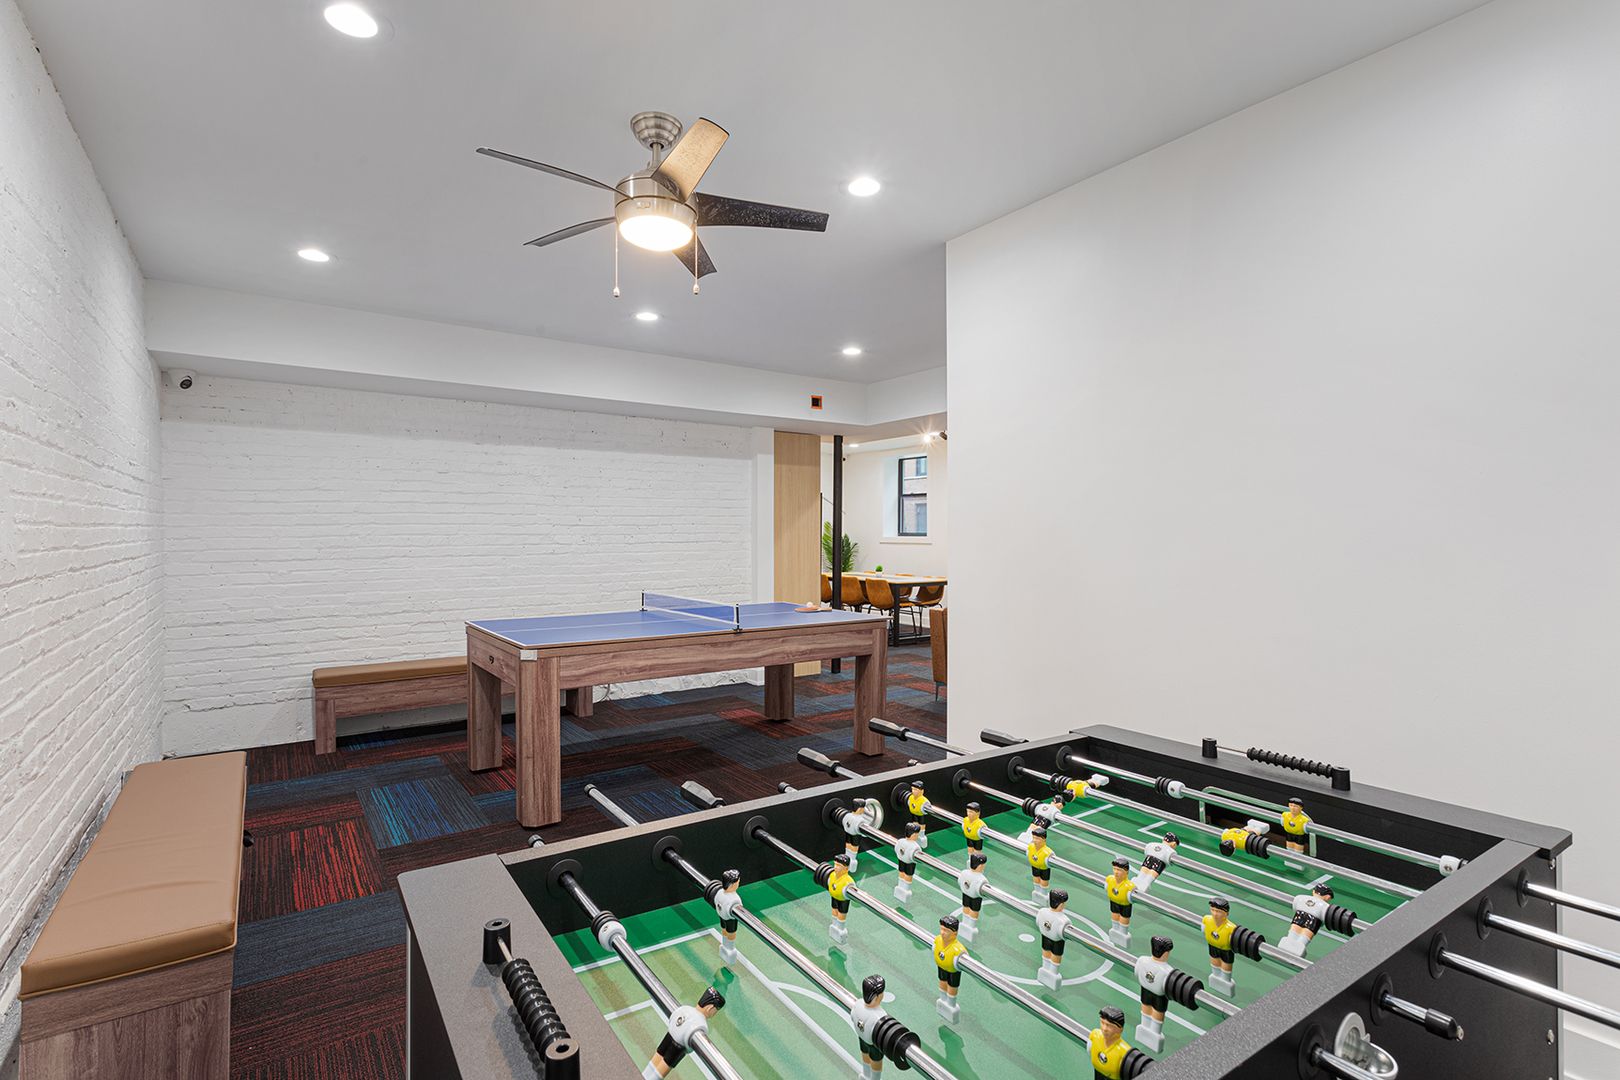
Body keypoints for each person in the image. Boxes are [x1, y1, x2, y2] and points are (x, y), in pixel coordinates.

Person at [643, 986, 725, 1079]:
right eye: (716, 1010)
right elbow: (692, 1046)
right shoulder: (702, 1025)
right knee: (664, 1067)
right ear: (710, 1008)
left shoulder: (685, 1008)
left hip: (669, 1036)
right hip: (679, 1048)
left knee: (658, 1055)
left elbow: (673, 1018)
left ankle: (644, 1075)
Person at [1133, 936, 1175, 1052]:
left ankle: (1145, 1027)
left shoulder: (1142, 960)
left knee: (1146, 1006)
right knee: (1158, 1010)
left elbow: (1137, 973)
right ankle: (1155, 1032)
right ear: (1165, 953)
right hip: (1159, 996)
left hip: (1145, 991)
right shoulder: (1168, 971)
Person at [850, 974, 890, 1080]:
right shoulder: (880, 1015)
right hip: (874, 1042)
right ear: (876, 997)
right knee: (876, 1061)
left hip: (862, 1037)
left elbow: (852, 1017)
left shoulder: (858, 1004)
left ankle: (866, 1075)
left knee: (865, 1053)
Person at [1279, 883, 1336, 958]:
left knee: (1295, 929)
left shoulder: (1300, 897)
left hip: (1299, 916)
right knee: (1305, 935)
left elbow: (1295, 907)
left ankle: (1288, 942)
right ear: (1327, 897)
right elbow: (1324, 919)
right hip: (1313, 922)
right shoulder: (1326, 906)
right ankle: (1299, 947)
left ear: (1313, 891)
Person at [932, 915, 967, 1023]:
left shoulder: (957, 949)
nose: (942, 933)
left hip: (953, 971)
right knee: (942, 981)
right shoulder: (938, 940)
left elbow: (964, 957)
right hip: (941, 967)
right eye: (942, 929)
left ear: (955, 933)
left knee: (952, 986)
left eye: (946, 931)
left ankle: (951, 1004)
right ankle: (943, 1000)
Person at [1035, 888, 1071, 990]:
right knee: (1056, 954)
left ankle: (1045, 968)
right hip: (1057, 941)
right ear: (1060, 904)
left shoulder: (1042, 912)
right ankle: (1053, 972)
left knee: (1046, 951)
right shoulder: (1063, 920)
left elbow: (1038, 922)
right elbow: (1065, 934)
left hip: (1045, 937)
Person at [1202, 897, 1237, 997]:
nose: (1215, 914)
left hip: (1226, 950)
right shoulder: (1206, 920)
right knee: (1214, 961)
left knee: (1226, 964)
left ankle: (1226, 981)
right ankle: (1216, 977)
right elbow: (1203, 930)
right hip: (1212, 946)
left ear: (1226, 913)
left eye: (1218, 911)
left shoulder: (1231, 928)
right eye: (1212, 910)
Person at [1089, 1005, 1132, 1080]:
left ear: (1120, 1029)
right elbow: (1089, 1050)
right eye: (1102, 1023)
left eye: (1109, 1026)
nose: (1104, 1028)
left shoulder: (1125, 1052)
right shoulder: (1094, 1036)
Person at [713, 869, 743, 965]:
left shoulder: (720, 893)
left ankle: (725, 946)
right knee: (731, 932)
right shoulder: (735, 899)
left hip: (721, 913)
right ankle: (729, 948)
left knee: (724, 928)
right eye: (738, 882)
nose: (739, 883)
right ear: (733, 884)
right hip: (729, 917)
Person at [957, 851, 988, 941]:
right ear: (980, 866)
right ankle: (971, 927)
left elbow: (959, 881)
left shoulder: (964, 873)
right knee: (974, 910)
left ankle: (964, 923)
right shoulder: (982, 879)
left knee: (966, 907)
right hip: (975, 897)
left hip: (965, 894)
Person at [1105, 855, 1136, 947]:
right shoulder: (1110, 879)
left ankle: (1123, 933)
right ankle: (1115, 930)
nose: (1116, 872)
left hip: (1125, 904)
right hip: (1114, 901)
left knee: (1124, 917)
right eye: (1114, 869)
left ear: (1126, 871)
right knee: (1114, 914)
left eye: (1119, 870)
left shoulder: (1129, 886)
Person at [828, 852, 855, 946]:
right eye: (835, 864)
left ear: (846, 869)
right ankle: (834, 926)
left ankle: (840, 929)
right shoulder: (832, 875)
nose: (835, 867)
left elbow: (854, 891)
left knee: (841, 913)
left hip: (843, 900)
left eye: (839, 866)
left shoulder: (848, 881)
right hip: (834, 897)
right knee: (834, 911)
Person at [893, 822, 922, 904]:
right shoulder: (915, 846)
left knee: (901, 872)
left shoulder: (900, 841)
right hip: (909, 862)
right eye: (916, 834)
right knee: (908, 875)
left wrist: (900, 855)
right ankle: (906, 889)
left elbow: (896, 849)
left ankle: (900, 887)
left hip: (901, 860)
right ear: (913, 835)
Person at [843, 800, 874, 872]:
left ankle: (847, 860)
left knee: (848, 846)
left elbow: (844, 822)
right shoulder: (860, 819)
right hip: (855, 835)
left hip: (848, 833)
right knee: (853, 847)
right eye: (862, 808)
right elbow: (864, 832)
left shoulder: (848, 815)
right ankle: (851, 863)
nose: (863, 810)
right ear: (859, 809)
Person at [1027, 825, 1053, 905]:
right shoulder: (1031, 847)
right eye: (1034, 838)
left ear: (1044, 839)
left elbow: (1052, 858)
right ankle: (1037, 891)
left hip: (1044, 868)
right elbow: (1027, 853)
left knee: (1044, 880)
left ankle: (1043, 894)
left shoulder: (1047, 852)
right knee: (1036, 877)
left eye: (1037, 838)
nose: (1035, 840)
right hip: (1034, 866)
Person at [906, 780, 930, 848]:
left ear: (922, 791)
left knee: (921, 825)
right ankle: (915, 835)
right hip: (914, 814)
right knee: (915, 823)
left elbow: (928, 806)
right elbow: (909, 803)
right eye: (912, 789)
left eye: (916, 790)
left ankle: (921, 836)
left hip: (920, 815)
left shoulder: (923, 800)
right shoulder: (911, 797)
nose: (913, 791)